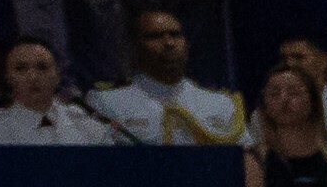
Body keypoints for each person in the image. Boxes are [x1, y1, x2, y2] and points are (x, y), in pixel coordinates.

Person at [87, 9, 243, 145]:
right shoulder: (107, 102)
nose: (169, 43)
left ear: (187, 44)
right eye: (155, 36)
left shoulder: (221, 104)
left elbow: (247, 159)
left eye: (175, 35)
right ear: (135, 48)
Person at [0, 38, 137, 146]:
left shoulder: (89, 127)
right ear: (8, 77)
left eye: (42, 67)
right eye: (21, 69)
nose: (33, 76)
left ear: (57, 76)